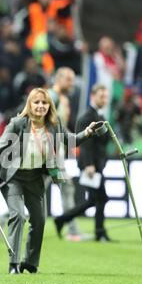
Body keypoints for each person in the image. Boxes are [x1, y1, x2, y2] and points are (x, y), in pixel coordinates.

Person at [0, 87, 96, 274]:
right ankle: (13, 264)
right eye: (36, 102)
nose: (40, 106)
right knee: (18, 216)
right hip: (14, 177)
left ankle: (29, 262)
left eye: (44, 103)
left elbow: (70, 141)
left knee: (39, 220)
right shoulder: (17, 123)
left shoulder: (54, 125)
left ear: (49, 106)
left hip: (36, 178)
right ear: (29, 105)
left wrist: (86, 133)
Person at [54, 84, 111, 242]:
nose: (104, 99)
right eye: (101, 96)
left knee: (96, 199)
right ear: (92, 96)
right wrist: (88, 165)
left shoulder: (100, 116)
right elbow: (84, 144)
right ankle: (99, 232)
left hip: (97, 164)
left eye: (105, 96)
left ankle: (62, 219)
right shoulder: (87, 117)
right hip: (90, 166)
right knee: (101, 198)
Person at [48, 67, 91, 242]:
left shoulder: (61, 98)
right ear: (59, 79)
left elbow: (60, 126)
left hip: (56, 151)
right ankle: (73, 230)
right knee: (65, 187)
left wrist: (70, 141)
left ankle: (0, 217)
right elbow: (47, 124)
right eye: (69, 79)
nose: (72, 83)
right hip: (51, 152)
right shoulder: (52, 96)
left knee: (43, 187)